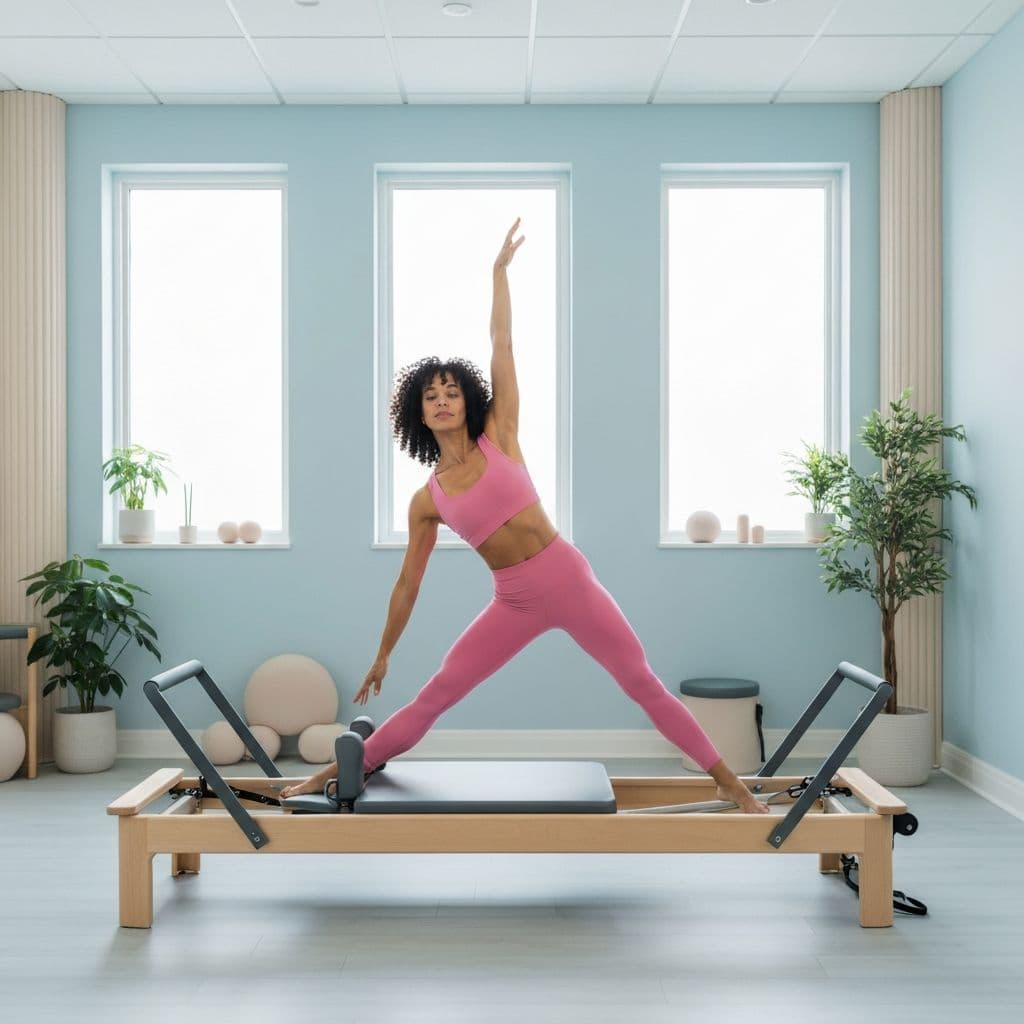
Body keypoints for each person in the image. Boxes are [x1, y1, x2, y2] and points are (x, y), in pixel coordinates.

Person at [281, 220, 768, 814]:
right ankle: (336, 773)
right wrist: (383, 653)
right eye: (430, 396)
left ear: (467, 399)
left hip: (569, 579)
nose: (441, 400)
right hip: (512, 601)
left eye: (451, 391)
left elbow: (501, 345)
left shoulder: (500, 435)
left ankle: (731, 783)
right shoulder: (427, 499)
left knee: (640, 681)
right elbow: (408, 582)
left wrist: (499, 274)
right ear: (420, 413)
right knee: (437, 693)